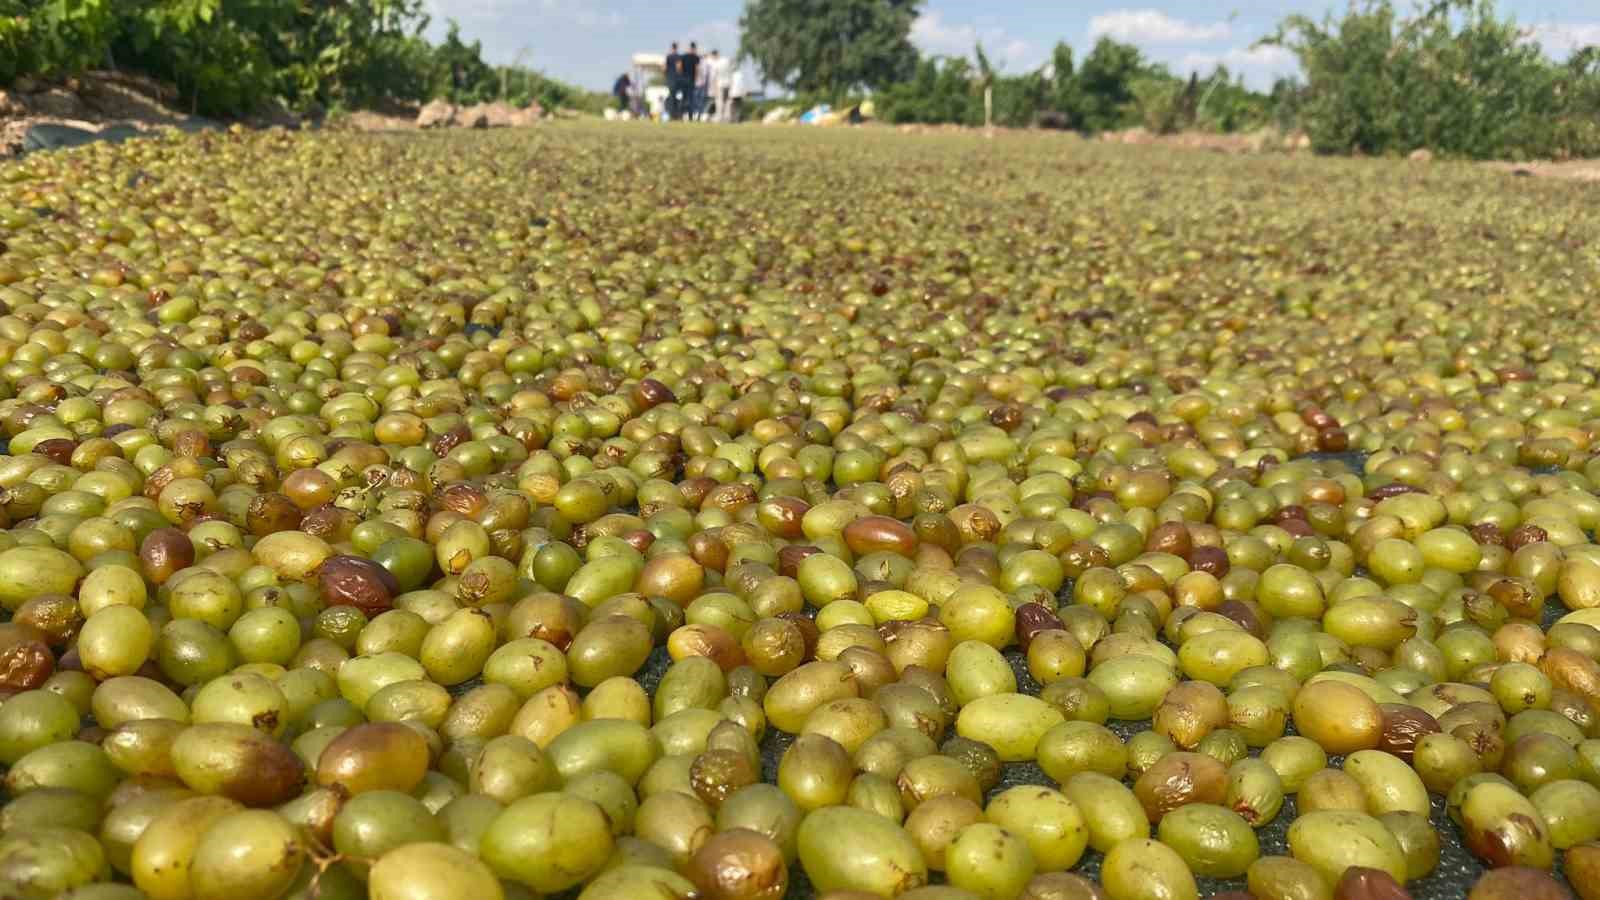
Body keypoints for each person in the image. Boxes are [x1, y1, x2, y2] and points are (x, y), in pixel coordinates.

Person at [679, 42, 701, 121]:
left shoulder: (683, 56)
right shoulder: (696, 57)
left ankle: (680, 115)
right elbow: (697, 69)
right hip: (691, 79)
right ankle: (690, 117)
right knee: (691, 99)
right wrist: (696, 79)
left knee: (683, 98)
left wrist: (681, 76)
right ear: (694, 48)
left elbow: (679, 67)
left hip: (683, 79)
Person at [713, 51, 733, 123]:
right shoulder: (726, 60)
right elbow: (731, 70)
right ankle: (727, 118)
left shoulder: (716, 63)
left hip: (720, 84)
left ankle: (719, 117)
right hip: (728, 83)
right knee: (727, 102)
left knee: (719, 101)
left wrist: (714, 88)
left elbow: (714, 76)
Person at [664, 42, 682, 121]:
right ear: (677, 48)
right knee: (675, 97)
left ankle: (671, 115)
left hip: (670, 79)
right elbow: (679, 67)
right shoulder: (678, 56)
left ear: (671, 47)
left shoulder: (668, 56)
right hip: (676, 79)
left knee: (671, 96)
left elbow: (664, 68)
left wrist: (666, 75)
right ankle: (676, 115)